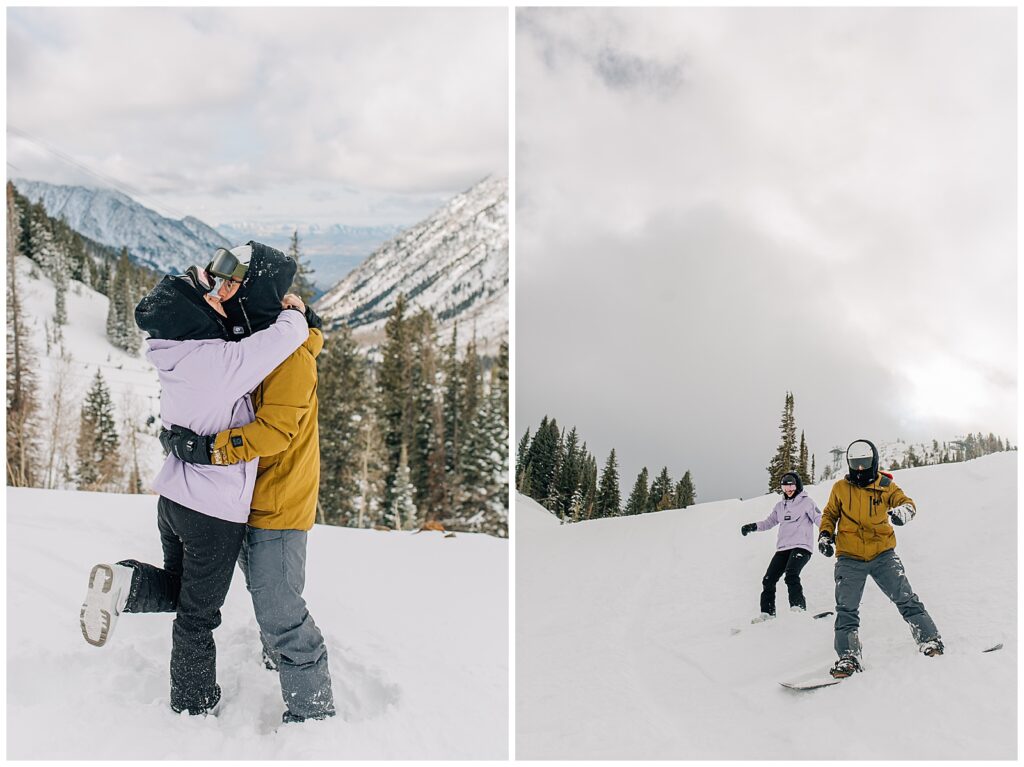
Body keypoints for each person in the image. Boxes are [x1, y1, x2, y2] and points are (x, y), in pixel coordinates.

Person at [78, 258, 310, 717]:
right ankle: (193, 705)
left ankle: (128, 583)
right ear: (195, 315)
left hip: (173, 502)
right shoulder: (219, 363)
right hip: (213, 513)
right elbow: (287, 337)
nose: (218, 298)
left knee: (184, 588)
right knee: (198, 617)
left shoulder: (173, 355)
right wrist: (296, 310)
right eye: (209, 297)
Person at [160, 241, 335, 724]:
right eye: (221, 280)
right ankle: (276, 657)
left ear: (255, 289)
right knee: (263, 593)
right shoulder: (256, 339)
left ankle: (312, 713)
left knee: (279, 608)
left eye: (234, 282)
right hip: (237, 499)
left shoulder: (291, 356)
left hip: (276, 505)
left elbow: (275, 431)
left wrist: (208, 449)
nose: (223, 289)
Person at [817, 438, 943, 679]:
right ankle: (848, 657)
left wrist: (902, 513)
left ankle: (930, 641)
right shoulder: (840, 488)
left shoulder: (885, 486)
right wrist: (825, 535)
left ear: (873, 462)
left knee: (905, 598)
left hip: (882, 553)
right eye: (856, 464)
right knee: (846, 609)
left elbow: (907, 503)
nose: (861, 469)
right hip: (849, 557)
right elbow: (830, 514)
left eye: (865, 463)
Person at [741, 471, 821, 622]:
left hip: (802, 546)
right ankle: (767, 614)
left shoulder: (807, 502)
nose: (788, 490)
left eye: (791, 487)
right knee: (768, 579)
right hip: (783, 548)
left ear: (797, 486)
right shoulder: (780, 506)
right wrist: (752, 526)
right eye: (785, 487)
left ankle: (798, 609)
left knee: (791, 574)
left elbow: (819, 518)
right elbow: (769, 522)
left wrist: (827, 532)